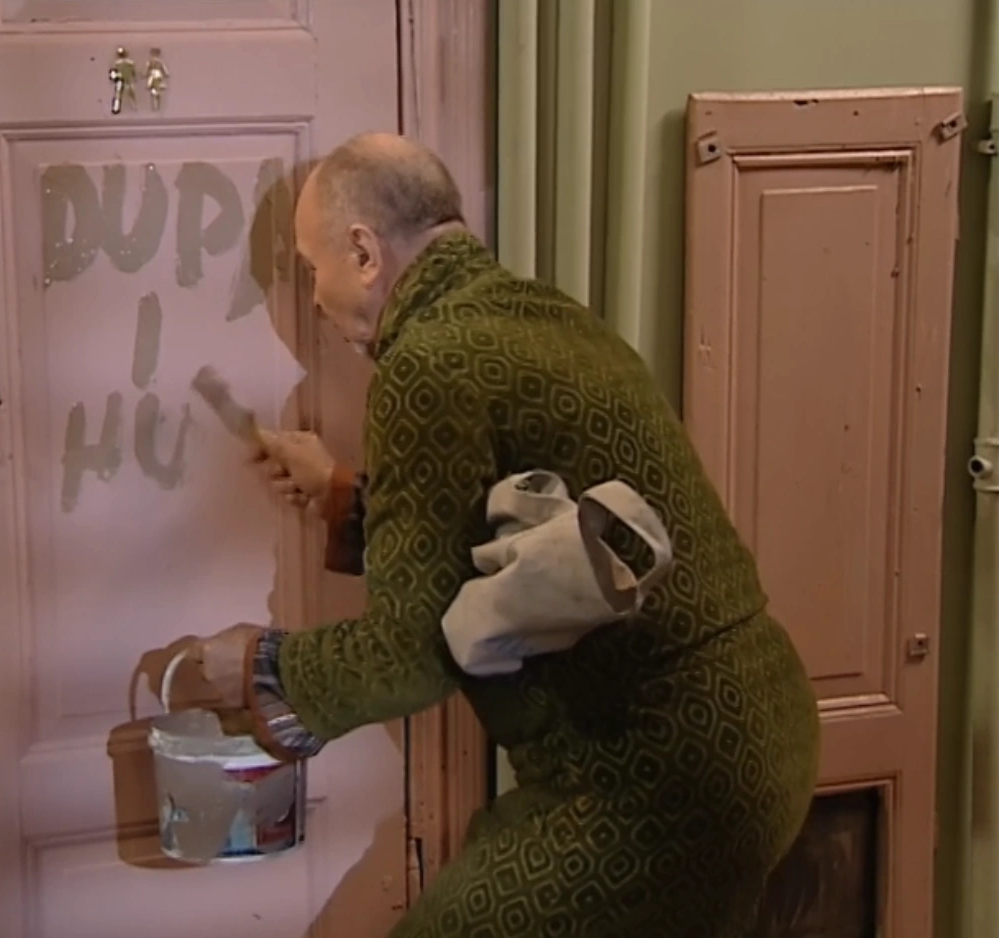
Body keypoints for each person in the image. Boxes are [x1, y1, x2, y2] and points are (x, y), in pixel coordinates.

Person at [166, 132, 820, 937]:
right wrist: (343, 495)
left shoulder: (426, 366)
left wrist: (261, 666)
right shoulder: (541, 313)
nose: (311, 298)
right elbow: (504, 538)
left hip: (655, 778)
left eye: (310, 267)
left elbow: (412, 653)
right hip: (755, 734)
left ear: (364, 253)